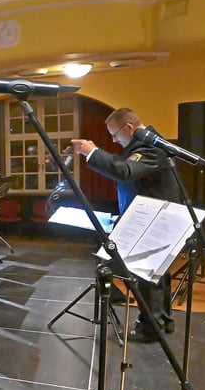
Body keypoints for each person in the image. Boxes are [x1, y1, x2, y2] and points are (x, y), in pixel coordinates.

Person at [72, 108, 180, 342]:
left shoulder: (150, 148)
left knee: (147, 277)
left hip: (155, 223)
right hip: (147, 220)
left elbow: (125, 171)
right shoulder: (141, 147)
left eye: (115, 134)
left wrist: (93, 153)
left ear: (129, 128)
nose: (114, 139)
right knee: (152, 277)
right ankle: (161, 323)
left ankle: (152, 329)